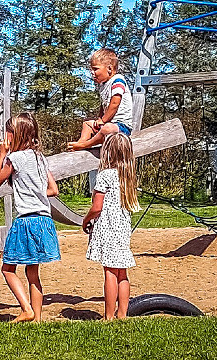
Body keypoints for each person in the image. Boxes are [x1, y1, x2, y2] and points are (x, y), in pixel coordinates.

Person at [0, 113, 61, 322]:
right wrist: (35, 194)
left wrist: (2, 154)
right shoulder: (40, 157)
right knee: (33, 272)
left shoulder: (15, 158)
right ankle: (37, 318)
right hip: (44, 220)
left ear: (15, 134)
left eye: (8, 132)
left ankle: (26, 309)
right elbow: (53, 189)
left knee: (8, 268)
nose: (6, 136)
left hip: (26, 221)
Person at [82, 134, 140, 320]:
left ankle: (108, 316)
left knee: (109, 272)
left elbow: (97, 207)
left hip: (108, 227)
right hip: (123, 228)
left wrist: (86, 220)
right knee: (122, 272)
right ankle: (122, 314)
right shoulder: (128, 176)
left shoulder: (105, 175)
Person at [67, 48, 134, 150]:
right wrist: (99, 119)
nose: (92, 73)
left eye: (95, 69)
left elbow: (115, 103)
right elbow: (104, 106)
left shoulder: (118, 80)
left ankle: (86, 144)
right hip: (107, 123)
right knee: (87, 124)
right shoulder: (103, 85)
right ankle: (81, 143)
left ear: (109, 69)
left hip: (121, 127)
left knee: (107, 129)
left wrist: (103, 120)